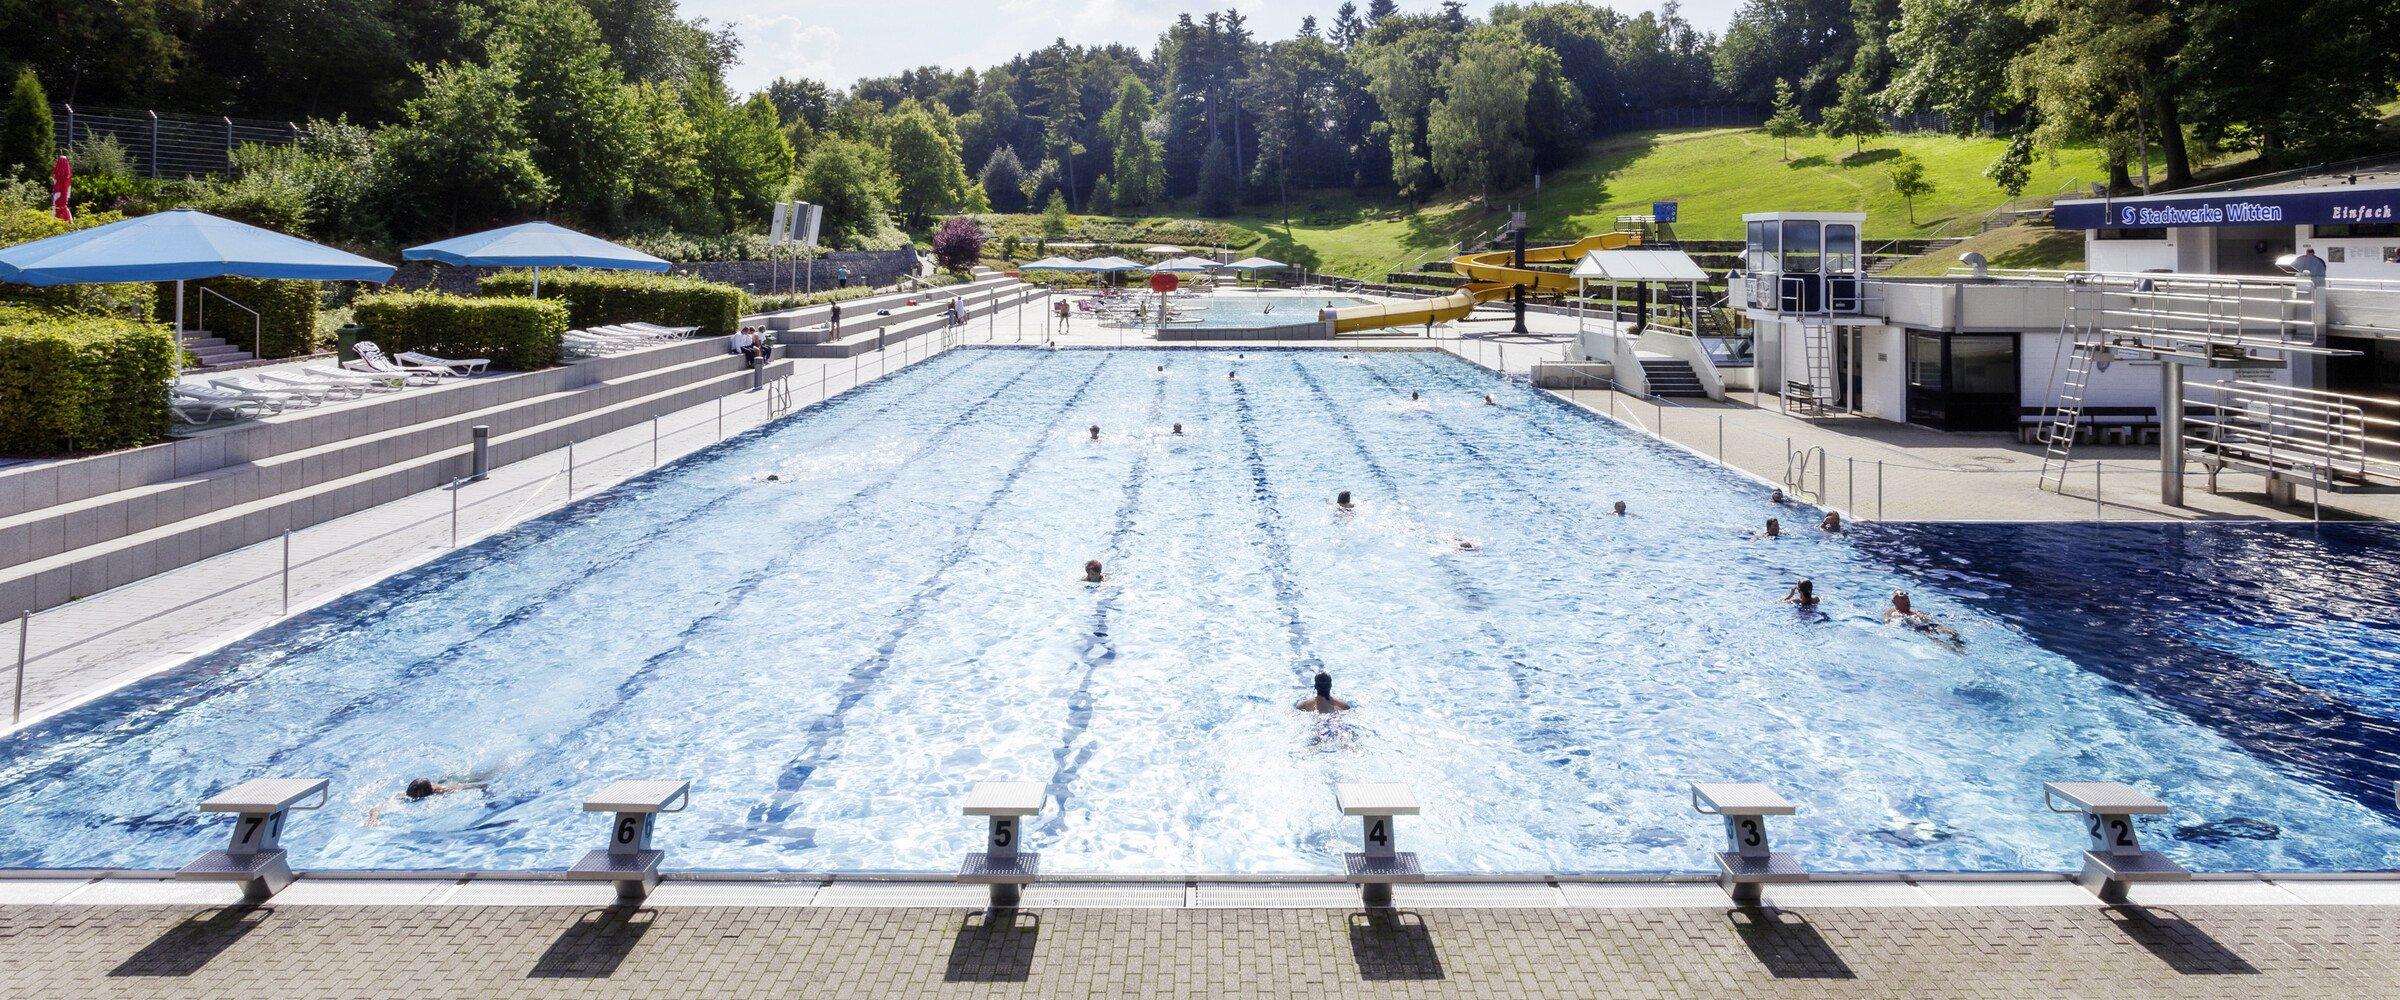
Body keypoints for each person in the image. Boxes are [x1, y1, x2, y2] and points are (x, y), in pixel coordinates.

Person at [364, 776, 486, 827]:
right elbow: (377, 807)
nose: (413, 798)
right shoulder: (405, 795)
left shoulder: (440, 790)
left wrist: (484, 790)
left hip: (455, 782)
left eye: (417, 796)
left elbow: (470, 786)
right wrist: (373, 818)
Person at [1884, 591, 1963, 642]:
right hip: (1918, 628)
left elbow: (1930, 619)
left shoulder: (1916, 611)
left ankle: (1960, 648)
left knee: (1953, 633)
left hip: (1930, 625)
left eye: (1907, 599)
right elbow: (1888, 622)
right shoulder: (1892, 612)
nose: (1907, 601)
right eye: (1903, 599)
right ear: (1894, 602)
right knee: (1937, 640)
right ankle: (1953, 651)